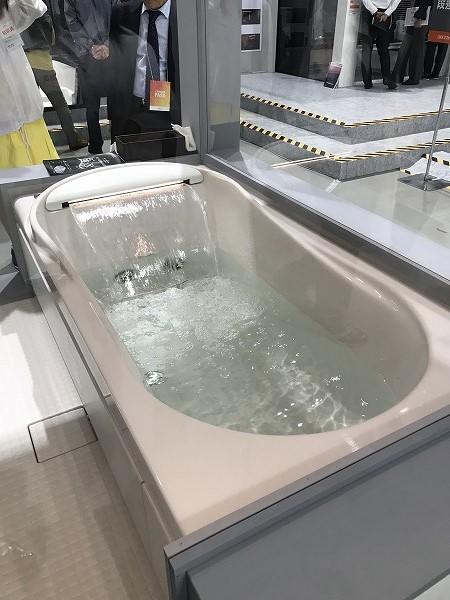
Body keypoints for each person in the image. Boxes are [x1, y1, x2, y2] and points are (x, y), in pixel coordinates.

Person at [108, 0, 180, 142]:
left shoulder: (185, 15)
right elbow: (115, 65)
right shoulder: (122, 13)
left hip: (169, 106)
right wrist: (112, 113)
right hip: (130, 106)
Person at [0, 0, 58, 169]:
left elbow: (34, 8)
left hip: (29, 117)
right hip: (4, 123)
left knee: (41, 176)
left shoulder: (7, 14)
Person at [21, 9, 88, 150]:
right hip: (44, 67)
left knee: (31, 108)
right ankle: (73, 139)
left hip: (26, 67)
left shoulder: (19, 16)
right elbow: (52, 40)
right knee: (60, 105)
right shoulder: (42, 14)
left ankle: (33, 145)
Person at [64, 0, 113, 154]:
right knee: (110, 101)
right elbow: (118, 13)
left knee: (92, 106)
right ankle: (114, 142)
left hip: (87, 54)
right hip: (105, 53)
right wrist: (107, 45)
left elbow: (72, 21)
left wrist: (90, 46)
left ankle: (96, 146)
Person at [360, 0, 401, 90]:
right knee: (381, 49)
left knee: (371, 49)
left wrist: (379, 12)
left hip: (374, 12)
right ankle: (384, 78)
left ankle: (369, 81)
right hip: (380, 13)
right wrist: (386, 13)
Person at [390, 0, 433, 86]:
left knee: (416, 49)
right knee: (407, 47)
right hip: (414, 15)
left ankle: (412, 77)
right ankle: (398, 76)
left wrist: (420, 17)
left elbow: (427, 2)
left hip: (420, 17)